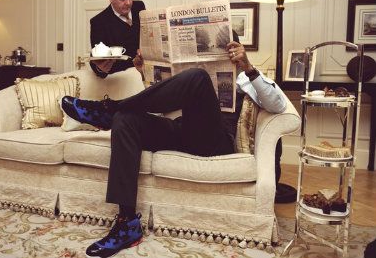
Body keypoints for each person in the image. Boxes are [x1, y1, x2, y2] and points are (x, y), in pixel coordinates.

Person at [61, 40, 287, 258]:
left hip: (214, 140)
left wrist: (248, 68)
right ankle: (127, 224)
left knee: (198, 78)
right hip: (181, 130)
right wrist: (144, 71)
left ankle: (108, 109)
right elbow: (160, 100)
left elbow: (278, 104)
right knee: (125, 118)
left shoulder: (245, 78)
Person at [90, 0, 146, 78]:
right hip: (120, 81)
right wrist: (101, 69)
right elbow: (97, 61)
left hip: (146, 75)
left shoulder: (139, 6)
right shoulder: (99, 22)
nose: (128, 2)